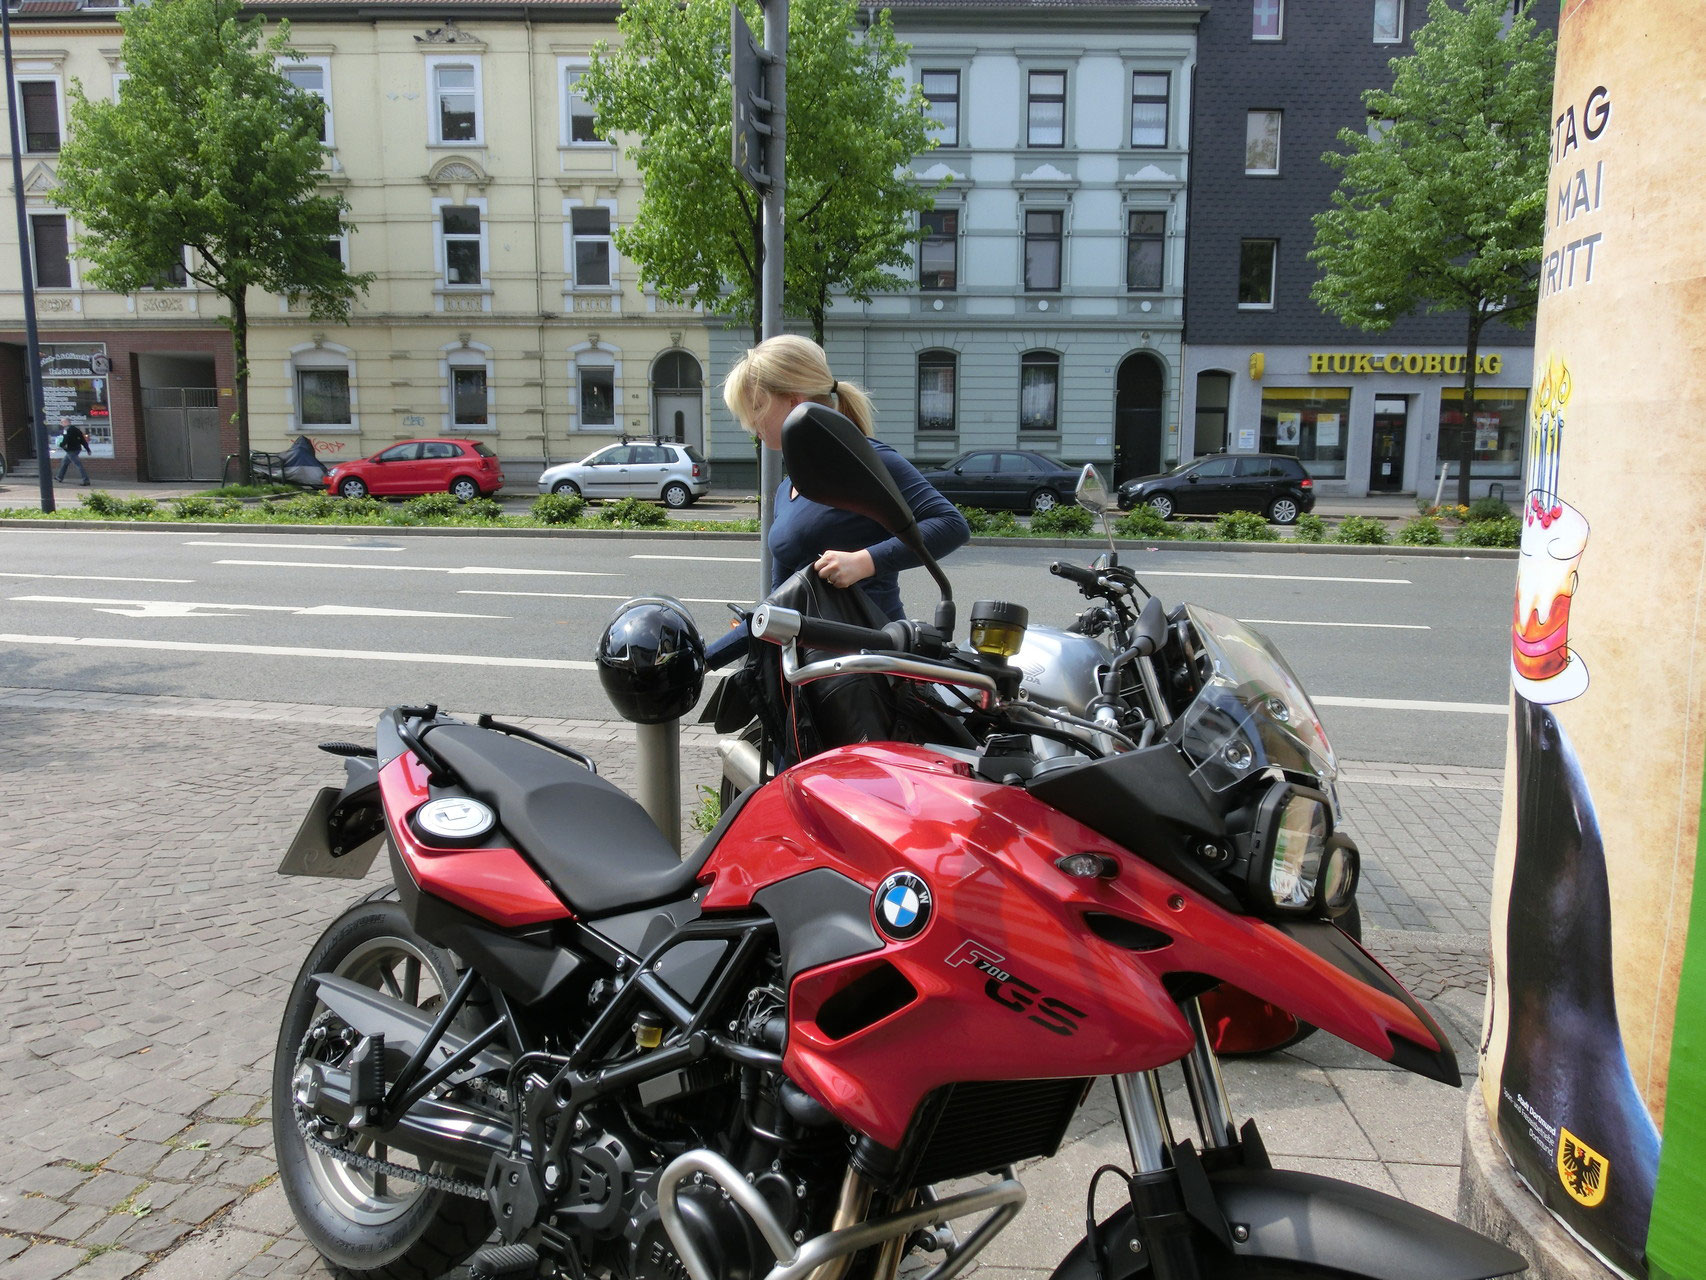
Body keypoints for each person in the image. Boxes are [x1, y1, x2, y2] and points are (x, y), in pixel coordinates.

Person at [710, 335, 969, 668]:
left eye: (757, 407)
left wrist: (864, 561)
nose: (751, 424)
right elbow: (779, 602)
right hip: (812, 673)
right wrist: (706, 657)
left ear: (793, 401)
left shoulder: (868, 461)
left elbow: (951, 524)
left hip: (873, 666)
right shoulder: (787, 489)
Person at [55, 417, 91, 486]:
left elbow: (66, 439)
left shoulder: (66, 429)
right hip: (77, 449)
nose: (61, 423)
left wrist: (61, 445)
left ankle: (86, 480)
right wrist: (87, 449)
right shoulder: (76, 429)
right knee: (64, 462)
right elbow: (82, 440)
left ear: (66, 422)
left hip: (71, 450)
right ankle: (59, 477)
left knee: (78, 465)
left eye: (62, 422)